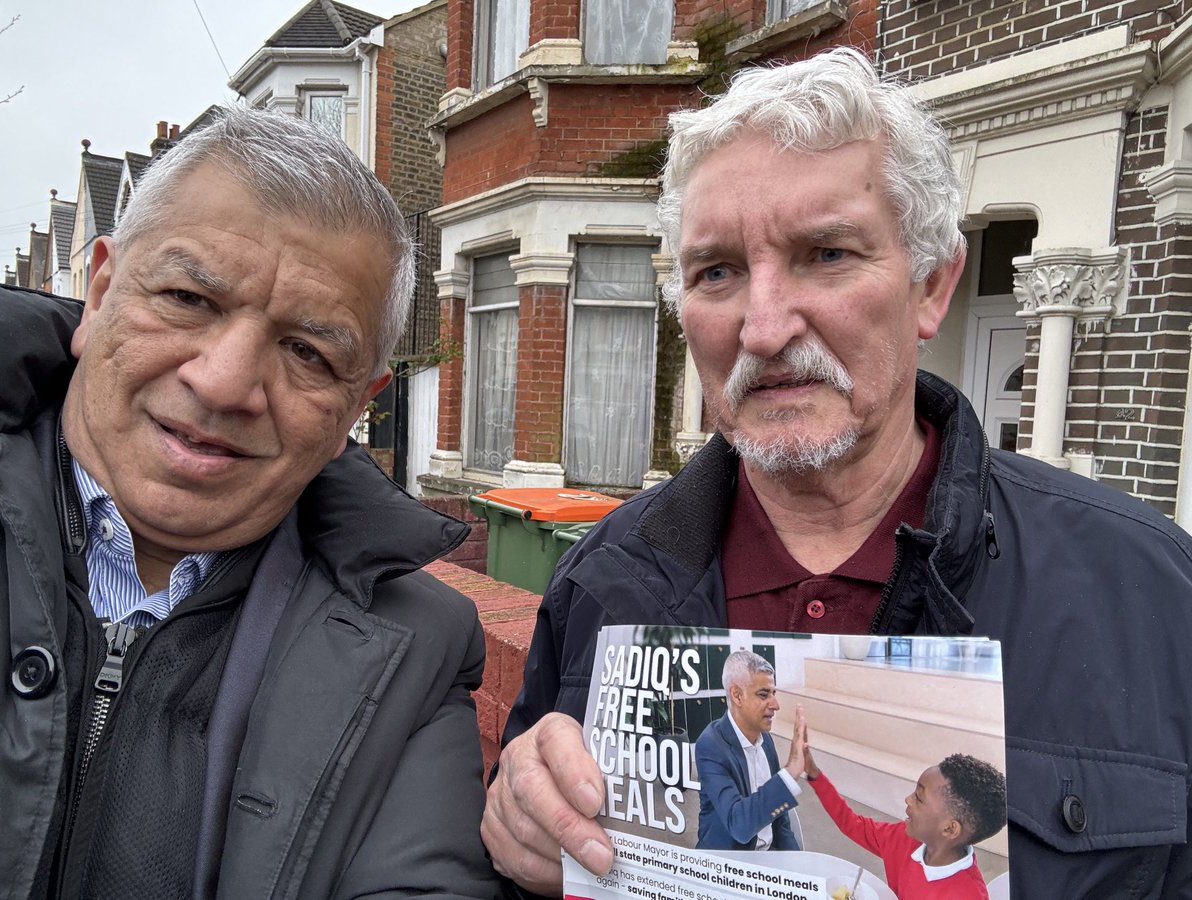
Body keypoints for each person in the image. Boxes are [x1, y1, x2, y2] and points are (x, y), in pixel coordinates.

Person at [481, 47, 1192, 899]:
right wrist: (515, 823)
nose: (765, 327)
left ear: (931, 286)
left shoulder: (1152, 593)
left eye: (826, 254)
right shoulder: (602, 579)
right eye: (718, 272)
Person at [0, 106, 500, 899]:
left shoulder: (415, 654)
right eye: (190, 299)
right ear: (98, 294)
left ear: (355, 409)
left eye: (306, 351)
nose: (225, 383)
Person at [804, 748, 1005, 899]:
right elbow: (852, 824)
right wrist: (815, 775)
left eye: (918, 798)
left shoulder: (969, 895)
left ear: (949, 828)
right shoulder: (902, 837)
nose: (907, 799)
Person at [694, 650, 804, 851]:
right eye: (764, 694)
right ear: (737, 695)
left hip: (768, 858)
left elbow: (780, 821)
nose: (775, 704)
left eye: (773, 693)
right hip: (727, 869)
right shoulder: (710, 745)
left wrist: (798, 870)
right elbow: (739, 825)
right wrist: (789, 774)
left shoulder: (766, 741)